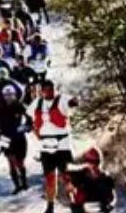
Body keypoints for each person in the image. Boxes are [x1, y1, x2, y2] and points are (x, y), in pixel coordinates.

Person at [32, 80, 76, 213]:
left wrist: (73, 102)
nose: (48, 92)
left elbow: (72, 102)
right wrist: (36, 133)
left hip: (62, 145)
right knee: (50, 177)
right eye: (45, 90)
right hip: (46, 146)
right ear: (41, 91)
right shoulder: (37, 103)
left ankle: (74, 202)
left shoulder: (62, 99)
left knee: (66, 176)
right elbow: (30, 120)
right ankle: (50, 206)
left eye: (50, 89)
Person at [0, 80, 32, 194]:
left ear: (15, 95)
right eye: (6, 95)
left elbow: (30, 117)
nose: (9, 97)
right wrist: (0, 135)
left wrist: (26, 127)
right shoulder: (0, 107)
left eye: (11, 95)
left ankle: (24, 182)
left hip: (19, 137)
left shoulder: (19, 105)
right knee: (11, 161)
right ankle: (17, 185)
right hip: (6, 137)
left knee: (20, 162)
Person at [67, 147, 116, 213]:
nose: (93, 165)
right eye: (90, 161)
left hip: (102, 208)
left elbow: (113, 197)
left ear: (100, 162)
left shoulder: (106, 178)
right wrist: (74, 203)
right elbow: (70, 191)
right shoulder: (80, 175)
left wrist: (110, 205)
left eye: (96, 162)